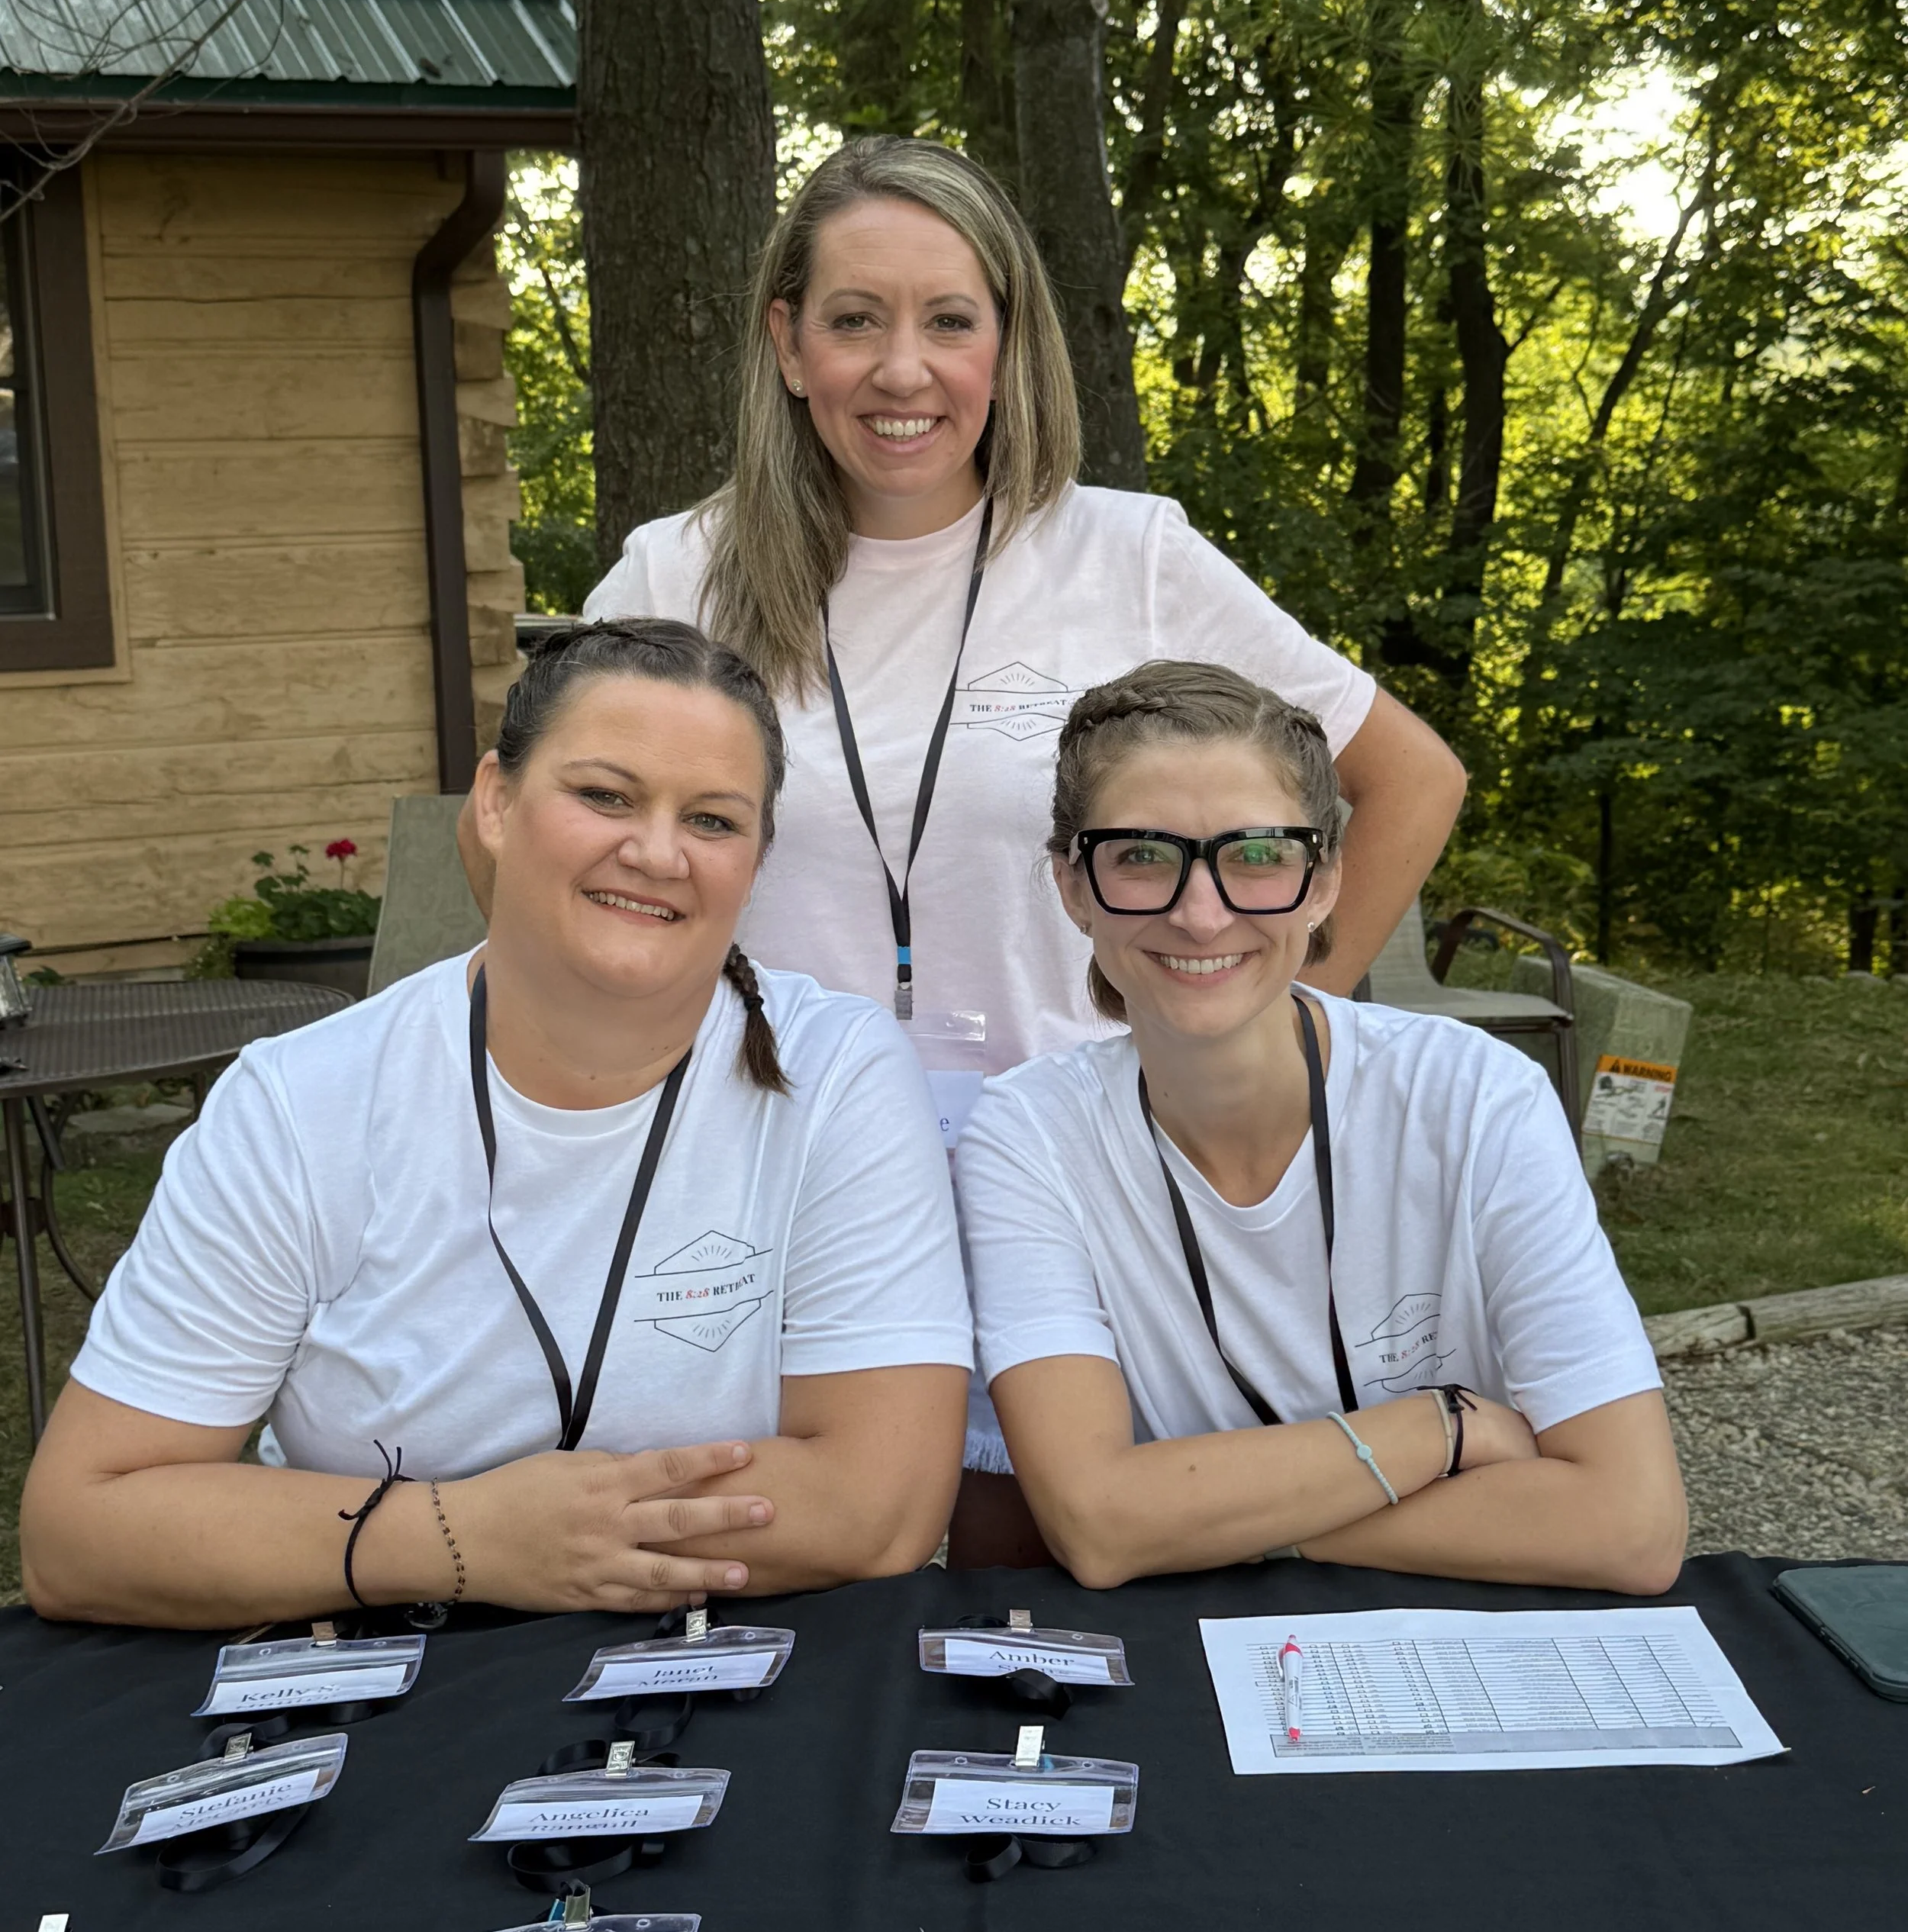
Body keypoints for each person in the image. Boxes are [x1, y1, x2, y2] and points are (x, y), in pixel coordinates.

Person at [460, 137, 1468, 1527]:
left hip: (1079, 1175)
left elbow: (1408, 776)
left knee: (1051, 1575)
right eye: (855, 319)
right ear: (788, 342)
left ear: (1010, 342)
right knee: (781, 1562)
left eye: (950, 320)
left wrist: (1262, 1023)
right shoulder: (675, 570)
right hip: (767, 1168)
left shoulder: (1131, 555)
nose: (902, 369)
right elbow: (516, 829)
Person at [21, 621, 974, 1630]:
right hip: (380, 1676)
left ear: (757, 859)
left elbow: (881, 1507)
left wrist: (551, 1539)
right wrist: (463, 1537)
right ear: (495, 800)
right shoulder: (302, 1103)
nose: (655, 851)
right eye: (605, 795)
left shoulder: (835, 1073)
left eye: (712, 820)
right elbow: (83, 1529)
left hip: (711, 1673)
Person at [954, 661, 1687, 1592]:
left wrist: (1212, 1522)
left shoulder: (1474, 1098)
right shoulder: (1028, 1136)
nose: (1200, 911)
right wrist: (1444, 1428)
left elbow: (1629, 1529)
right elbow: (1095, 1526)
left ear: (1325, 879)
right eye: (1141, 854)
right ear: (1071, 885)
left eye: (1256, 855)